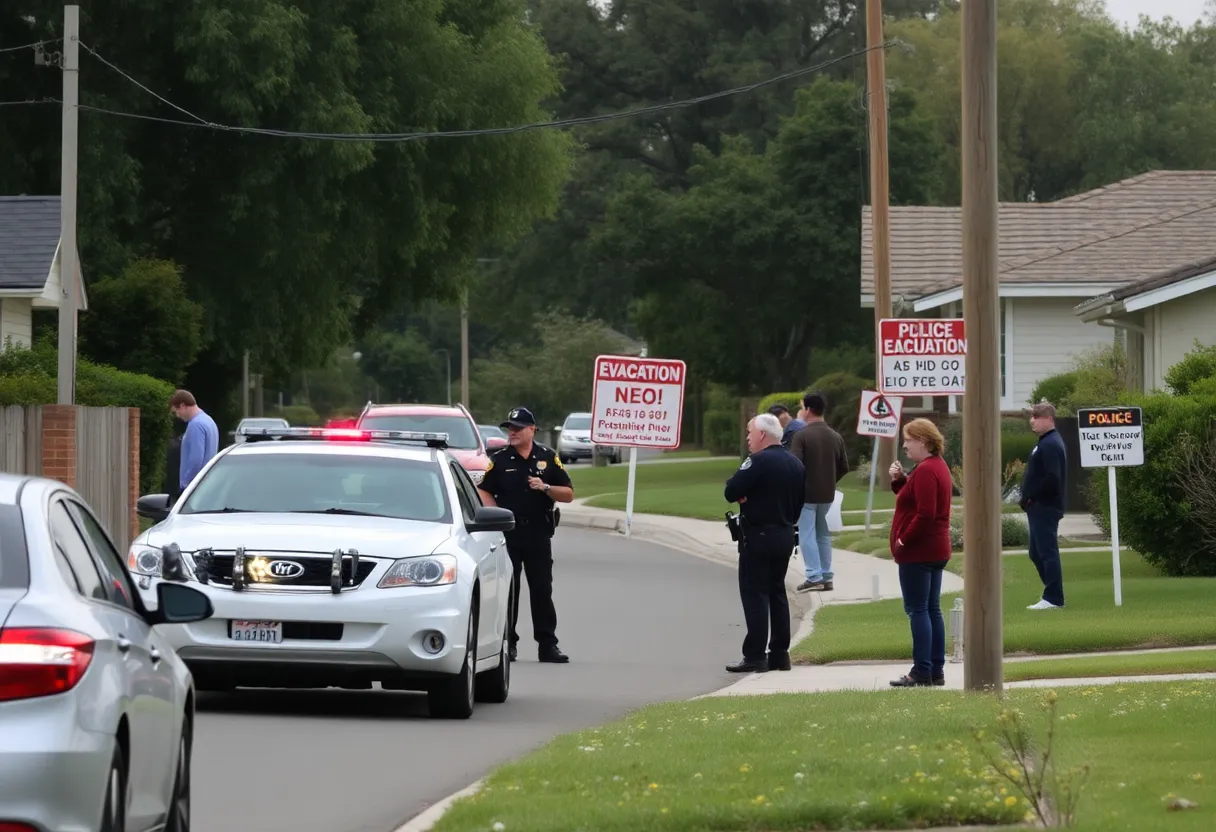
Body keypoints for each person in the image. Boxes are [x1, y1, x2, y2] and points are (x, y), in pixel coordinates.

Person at [477, 406, 574, 663]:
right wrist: (494, 514)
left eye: (518, 428)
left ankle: (547, 645)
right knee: (510, 589)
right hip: (509, 533)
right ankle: (508, 642)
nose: (513, 432)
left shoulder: (547, 457)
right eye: (510, 428)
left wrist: (546, 487)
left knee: (542, 589)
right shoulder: (499, 460)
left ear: (532, 429)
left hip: (538, 533)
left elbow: (568, 493)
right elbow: (483, 489)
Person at [723, 413, 806, 674]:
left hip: (758, 536)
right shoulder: (795, 464)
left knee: (755, 594)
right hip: (784, 534)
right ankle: (780, 654)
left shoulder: (757, 462)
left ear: (761, 434)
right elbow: (799, 503)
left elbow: (730, 491)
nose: (747, 438)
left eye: (749, 433)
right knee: (777, 592)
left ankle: (755, 655)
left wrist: (747, 496)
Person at [887, 417, 953, 688]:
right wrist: (900, 481)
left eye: (909, 440)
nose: (905, 446)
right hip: (935, 549)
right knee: (931, 609)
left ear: (923, 442)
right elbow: (913, 501)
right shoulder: (934, 467)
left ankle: (922, 671)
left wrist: (903, 541)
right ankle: (935, 670)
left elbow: (926, 514)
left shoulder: (927, 470)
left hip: (920, 551)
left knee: (918, 610)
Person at [788, 391, 849, 592]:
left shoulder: (802, 436)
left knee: (807, 534)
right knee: (823, 533)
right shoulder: (836, 436)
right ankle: (826, 574)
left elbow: (794, 466)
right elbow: (844, 466)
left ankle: (814, 575)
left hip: (806, 494)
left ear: (807, 409)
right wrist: (830, 481)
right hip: (827, 494)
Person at [1020, 401, 1068, 610]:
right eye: (1032, 416)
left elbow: (1052, 478)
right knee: (1035, 552)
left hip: (1045, 506)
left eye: (1036, 416)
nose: (1032, 421)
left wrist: (1032, 496)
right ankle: (1051, 591)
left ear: (1049, 419)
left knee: (1047, 551)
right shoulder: (1044, 442)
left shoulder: (1050, 444)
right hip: (1038, 506)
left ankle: (1054, 598)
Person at [170, 389, 219, 492]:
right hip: (206, 482)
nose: (177, 416)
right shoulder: (208, 420)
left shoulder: (195, 425)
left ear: (182, 405)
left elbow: (196, 459)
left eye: (176, 411)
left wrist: (186, 484)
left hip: (195, 487)